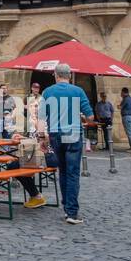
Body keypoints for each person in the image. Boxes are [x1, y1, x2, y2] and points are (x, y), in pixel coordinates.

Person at [41, 63, 93, 224]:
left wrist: (42, 138)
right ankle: (72, 212)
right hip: (73, 134)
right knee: (72, 172)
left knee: (62, 171)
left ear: (55, 75)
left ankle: (66, 208)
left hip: (55, 133)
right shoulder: (78, 91)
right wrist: (81, 116)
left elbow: (42, 118)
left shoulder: (47, 92)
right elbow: (90, 117)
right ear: (69, 75)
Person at [119, 87, 131, 153]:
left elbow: (120, 107)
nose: (120, 94)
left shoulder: (125, 99)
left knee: (129, 133)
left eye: (121, 92)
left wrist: (119, 105)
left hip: (126, 117)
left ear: (123, 92)